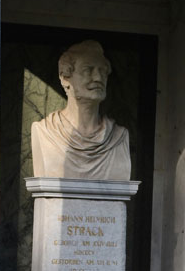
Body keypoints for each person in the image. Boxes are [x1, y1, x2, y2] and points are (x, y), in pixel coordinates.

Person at [30, 40, 131, 180]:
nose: (98, 78)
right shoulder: (44, 132)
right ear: (65, 78)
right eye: (88, 70)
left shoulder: (119, 137)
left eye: (102, 71)